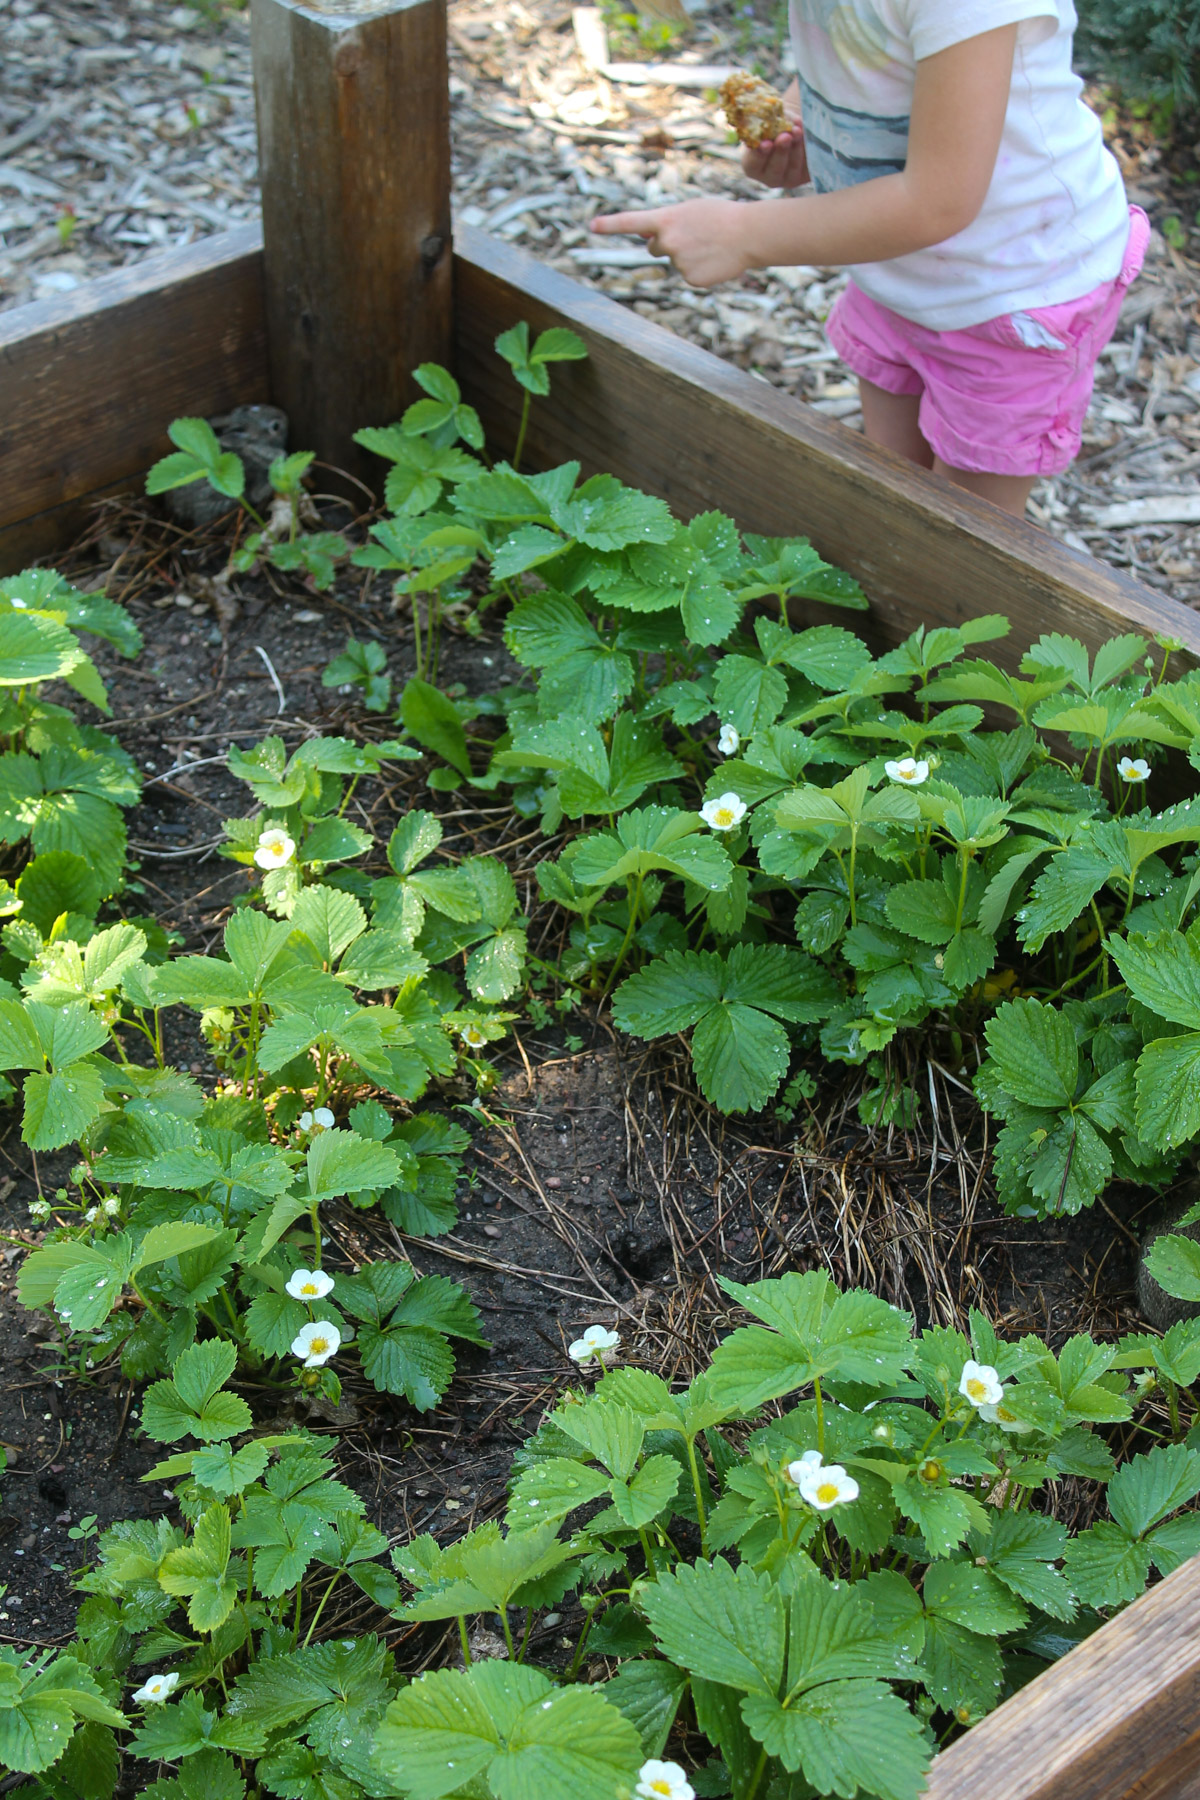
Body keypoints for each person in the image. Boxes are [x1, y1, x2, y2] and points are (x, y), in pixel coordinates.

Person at [590, 1, 1148, 518]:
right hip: (896, 265)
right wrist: (800, 120)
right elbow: (858, 46)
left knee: (968, 538)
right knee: (894, 491)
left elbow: (938, 201)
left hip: (1017, 288)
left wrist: (742, 235)